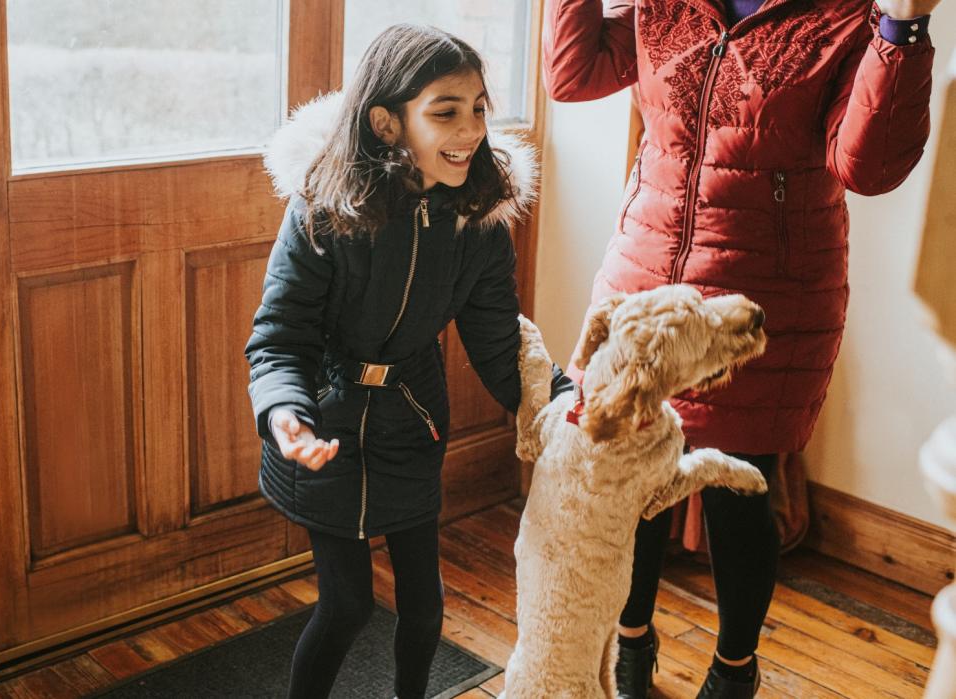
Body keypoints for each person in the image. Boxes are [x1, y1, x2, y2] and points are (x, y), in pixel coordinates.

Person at [542, 0, 938, 695]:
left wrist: (901, 29)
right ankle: (630, 639)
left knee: (736, 487)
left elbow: (867, 166)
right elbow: (571, 75)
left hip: (762, 293)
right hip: (645, 278)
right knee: (626, 476)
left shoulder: (845, 16)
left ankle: (734, 668)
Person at [245, 23, 567, 699]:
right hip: (325, 431)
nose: (471, 129)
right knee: (346, 604)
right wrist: (285, 415)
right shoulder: (322, 211)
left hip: (410, 420)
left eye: (478, 108)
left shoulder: (477, 221)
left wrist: (557, 399)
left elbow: (494, 336)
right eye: (444, 112)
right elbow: (280, 336)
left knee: (424, 607)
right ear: (388, 123)